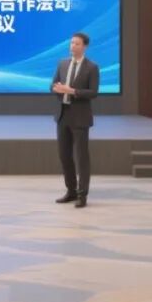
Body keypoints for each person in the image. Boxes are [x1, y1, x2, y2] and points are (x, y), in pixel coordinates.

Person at [50, 32, 100, 209]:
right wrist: (56, 88)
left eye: (77, 44)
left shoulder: (92, 67)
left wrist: (71, 91)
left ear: (84, 46)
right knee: (64, 156)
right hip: (63, 115)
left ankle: (82, 194)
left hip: (80, 117)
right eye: (71, 43)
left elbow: (93, 92)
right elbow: (52, 85)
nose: (73, 46)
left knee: (81, 157)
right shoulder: (62, 64)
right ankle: (70, 191)